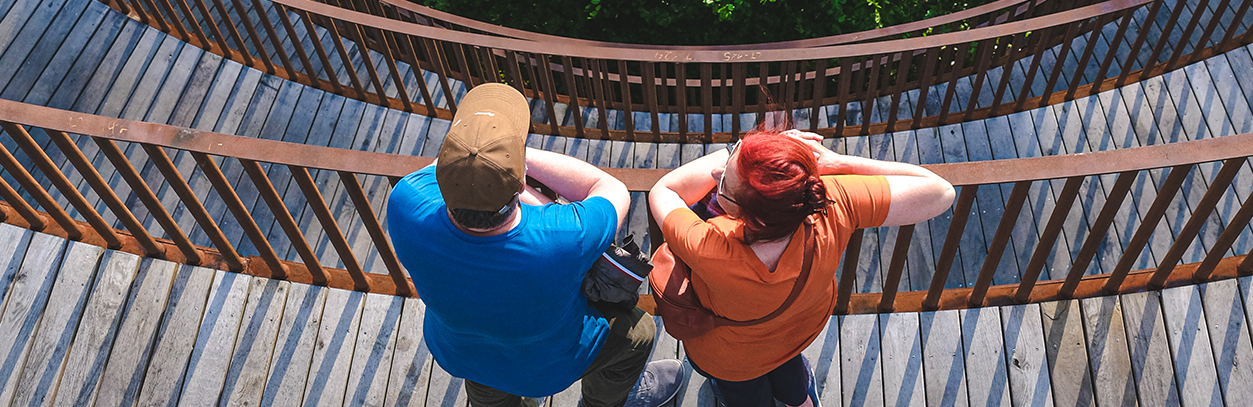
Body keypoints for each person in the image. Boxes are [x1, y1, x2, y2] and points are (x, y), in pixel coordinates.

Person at [388, 83, 684, 407]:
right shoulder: (564, 236)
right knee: (639, 335)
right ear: (522, 177)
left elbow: (438, 170)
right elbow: (611, 188)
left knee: (486, 379)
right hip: (547, 368)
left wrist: (485, 163)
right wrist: (511, 158)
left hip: (458, 351)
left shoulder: (405, 202)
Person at [648, 128, 956, 407]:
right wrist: (835, 163)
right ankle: (800, 401)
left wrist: (729, 153)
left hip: (732, 357)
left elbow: (664, 191)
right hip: (798, 329)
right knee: (793, 381)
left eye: (722, 185)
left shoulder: (707, 244)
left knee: (744, 397)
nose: (715, 174)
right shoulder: (834, 205)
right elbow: (941, 191)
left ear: (746, 214)